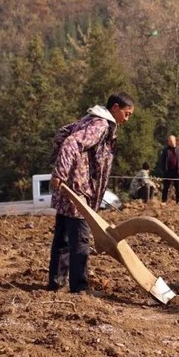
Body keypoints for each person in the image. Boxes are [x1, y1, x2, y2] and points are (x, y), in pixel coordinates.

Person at [48, 92, 135, 293]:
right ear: (114, 108)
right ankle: (80, 288)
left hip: (70, 188)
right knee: (80, 240)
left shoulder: (90, 119)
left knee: (63, 238)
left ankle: (56, 283)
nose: (127, 119)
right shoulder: (101, 125)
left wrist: (62, 169)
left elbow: (63, 133)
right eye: (126, 113)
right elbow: (71, 142)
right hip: (78, 191)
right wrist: (61, 172)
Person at [159, 134, 179, 204]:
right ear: (168, 142)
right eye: (169, 141)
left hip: (177, 171)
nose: (171, 142)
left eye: (172, 140)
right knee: (166, 187)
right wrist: (163, 170)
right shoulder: (165, 150)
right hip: (168, 171)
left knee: (178, 187)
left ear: (175, 141)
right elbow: (162, 161)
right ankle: (164, 201)